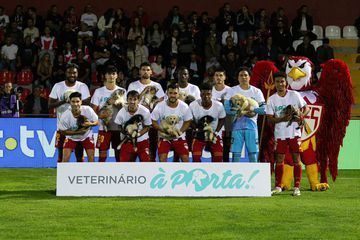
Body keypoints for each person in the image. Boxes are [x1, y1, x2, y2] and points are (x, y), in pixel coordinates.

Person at [266, 72, 309, 196]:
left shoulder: (294, 95)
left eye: (282, 81)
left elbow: (306, 108)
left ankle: (297, 187)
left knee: (296, 158)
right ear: (274, 84)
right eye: (278, 81)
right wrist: (282, 119)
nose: (280, 84)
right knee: (279, 159)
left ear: (286, 82)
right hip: (280, 133)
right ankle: (278, 186)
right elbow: (270, 119)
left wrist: (301, 116)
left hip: (294, 132)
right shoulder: (272, 99)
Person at [48, 63, 90, 162]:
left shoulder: (82, 86)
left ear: (77, 73)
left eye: (74, 73)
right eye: (69, 72)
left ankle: (80, 175)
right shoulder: (58, 86)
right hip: (63, 126)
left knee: (79, 156)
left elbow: (88, 103)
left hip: (78, 126)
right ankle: (61, 176)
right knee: (61, 156)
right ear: (66, 73)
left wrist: (75, 102)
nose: (72, 75)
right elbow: (50, 105)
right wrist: (64, 101)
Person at [224, 67, 265, 163]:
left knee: (253, 153)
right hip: (236, 126)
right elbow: (227, 109)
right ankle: (235, 174)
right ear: (238, 78)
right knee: (236, 153)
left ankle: (254, 176)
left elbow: (264, 110)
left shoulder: (256, 91)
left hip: (252, 126)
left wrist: (250, 109)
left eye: (245, 75)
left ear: (249, 77)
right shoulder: (232, 91)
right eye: (241, 75)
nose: (243, 77)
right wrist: (239, 111)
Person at [91, 65, 126, 162]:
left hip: (118, 127)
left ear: (116, 76)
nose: (111, 76)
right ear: (105, 76)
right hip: (104, 127)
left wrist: (121, 105)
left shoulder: (122, 91)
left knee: (118, 152)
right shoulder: (99, 91)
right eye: (109, 74)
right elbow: (92, 110)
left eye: (113, 74)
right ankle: (101, 173)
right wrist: (99, 116)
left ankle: (120, 174)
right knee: (102, 152)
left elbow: (127, 110)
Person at [151, 83, 192, 162]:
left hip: (179, 137)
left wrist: (180, 132)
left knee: (186, 159)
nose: (173, 95)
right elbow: (153, 121)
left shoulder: (184, 106)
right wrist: (163, 131)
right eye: (170, 93)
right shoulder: (160, 106)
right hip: (164, 137)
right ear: (167, 93)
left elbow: (188, 121)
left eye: (175, 93)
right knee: (162, 159)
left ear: (178, 94)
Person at [190, 82, 226, 162]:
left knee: (218, 157)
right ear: (200, 94)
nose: (206, 96)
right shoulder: (193, 105)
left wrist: (216, 132)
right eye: (203, 94)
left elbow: (222, 119)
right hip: (199, 135)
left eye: (208, 94)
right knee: (196, 157)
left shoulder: (219, 105)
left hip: (214, 135)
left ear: (211, 94)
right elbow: (189, 120)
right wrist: (196, 129)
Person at [59, 92, 98, 162]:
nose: (75, 104)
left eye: (77, 101)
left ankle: (91, 173)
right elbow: (62, 131)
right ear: (69, 102)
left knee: (91, 158)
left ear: (81, 102)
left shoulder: (88, 110)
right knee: (64, 160)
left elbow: (97, 121)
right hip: (71, 138)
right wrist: (78, 132)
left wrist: (90, 124)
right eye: (73, 102)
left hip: (87, 136)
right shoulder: (65, 115)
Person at [114, 90, 151, 162]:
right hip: (127, 141)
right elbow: (118, 125)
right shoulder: (122, 112)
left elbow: (147, 127)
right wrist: (126, 133)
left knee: (146, 163)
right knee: (123, 164)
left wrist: (138, 134)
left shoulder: (145, 111)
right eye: (130, 99)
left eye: (135, 99)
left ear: (138, 100)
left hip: (142, 142)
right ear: (127, 100)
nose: (132, 102)